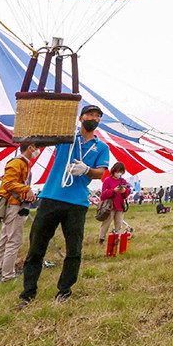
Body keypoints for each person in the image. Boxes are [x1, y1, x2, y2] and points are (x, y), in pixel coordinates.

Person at [20, 105, 110, 307]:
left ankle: (64, 291)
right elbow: (43, 137)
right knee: (36, 248)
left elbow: (100, 172)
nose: (93, 118)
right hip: (51, 197)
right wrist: (33, 148)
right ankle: (28, 294)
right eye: (90, 115)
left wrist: (86, 169)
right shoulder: (67, 138)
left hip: (77, 203)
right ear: (81, 118)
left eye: (97, 116)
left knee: (74, 250)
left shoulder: (101, 147)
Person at [0, 142, 40, 283]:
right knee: (14, 241)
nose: (37, 151)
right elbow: (8, 183)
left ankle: (1, 271)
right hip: (14, 205)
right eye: (36, 147)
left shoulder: (23, 164)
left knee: (5, 240)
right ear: (30, 148)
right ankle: (8, 276)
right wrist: (25, 189)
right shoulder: (17, 163)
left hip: (15, 205)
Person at [98, 162, 130, 244]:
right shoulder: (107, 180)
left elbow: (127, 192)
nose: (119, 173)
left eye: (121, 171)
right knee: (106, 224)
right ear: (113, 171)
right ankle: (101, 239)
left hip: (120, 207)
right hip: (109, 206)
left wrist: (124, 190)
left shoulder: (123, 181)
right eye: (117, 171)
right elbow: (103, 195)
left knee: (119, 225)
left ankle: (117, 239)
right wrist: (113, 191)